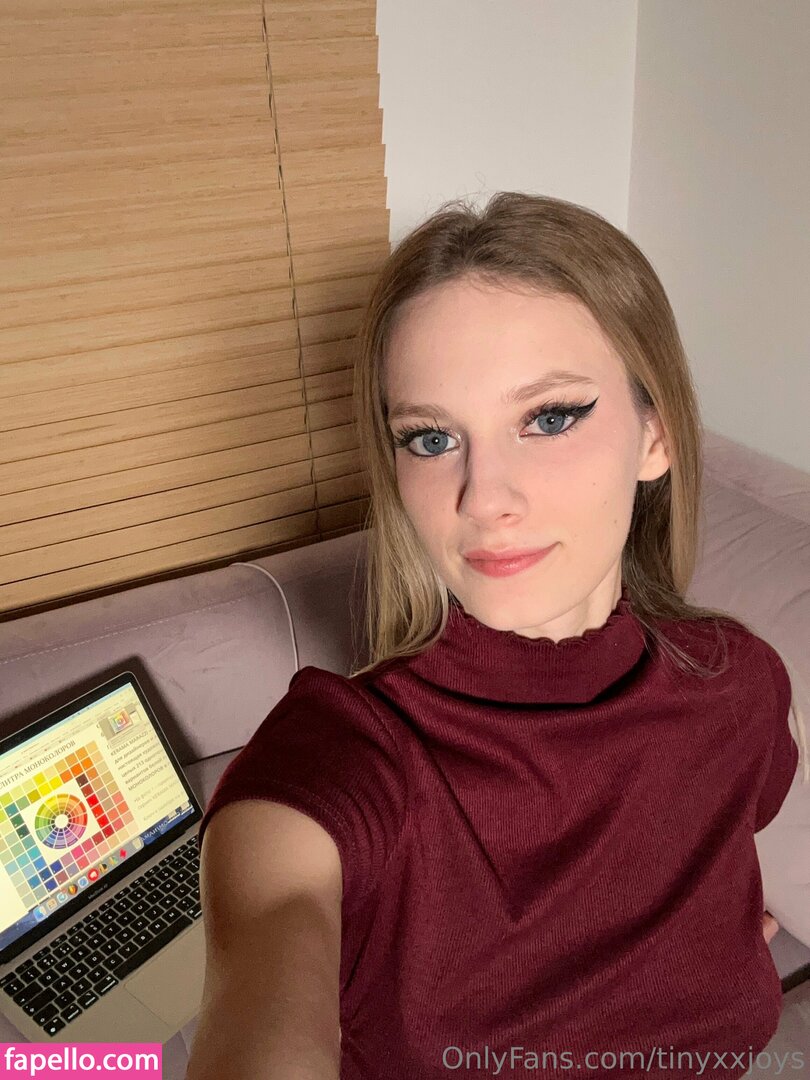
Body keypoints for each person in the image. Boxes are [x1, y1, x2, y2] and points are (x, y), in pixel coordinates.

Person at [184, 193, 806, 1080]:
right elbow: (266, 984)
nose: (482, 498)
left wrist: (706, 950)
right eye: (431, 438)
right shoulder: (338, 757)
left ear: (656, 435)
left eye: (549, 417)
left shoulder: (738, 684)